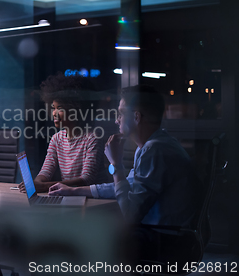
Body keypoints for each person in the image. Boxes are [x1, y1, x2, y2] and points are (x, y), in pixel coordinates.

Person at [49, 85, 200, 226]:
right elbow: (126, 186)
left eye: (121, 113)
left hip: (165, 237)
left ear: (136, 117)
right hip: (166, 232)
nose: (117, 120)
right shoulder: (153, 145)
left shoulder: (153, 151)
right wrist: (74, 191)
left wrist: (116, 165)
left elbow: (130, 215)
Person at [20, 73, 107, 193]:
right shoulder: (57, 139)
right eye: (53, 107)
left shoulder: (92, 138)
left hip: (94, 198)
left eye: (59, 108)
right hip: (71, 195)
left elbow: (86, 179)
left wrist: (45, 187)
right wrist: (36, 183)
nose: (54, 113)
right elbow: (46, 170)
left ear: (76, 109)